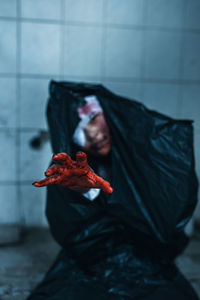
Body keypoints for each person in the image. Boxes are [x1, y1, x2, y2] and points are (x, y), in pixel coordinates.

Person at [27, 81, 199, 300]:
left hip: (145, 257)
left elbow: (164, 207)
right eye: (80, 132)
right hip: (96, 260)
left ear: (109, 113)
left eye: (93, 118)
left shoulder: (136, 152)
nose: (94, 135)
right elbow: (73, 231)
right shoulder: (73, 170)